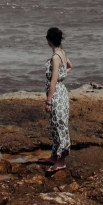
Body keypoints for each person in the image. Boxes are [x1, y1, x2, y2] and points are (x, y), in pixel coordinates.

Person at [40, 26, 72, 172]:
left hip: (57, 94)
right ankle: (54, 156)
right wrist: (62, 74)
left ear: (49, 40)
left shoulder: (55, 57)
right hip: (62, 92)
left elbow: (53, 81)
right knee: (55, 125)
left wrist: (48, 101)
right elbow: (70, 66)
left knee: (59, 126)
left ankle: (61, 161)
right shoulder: (62, 53)